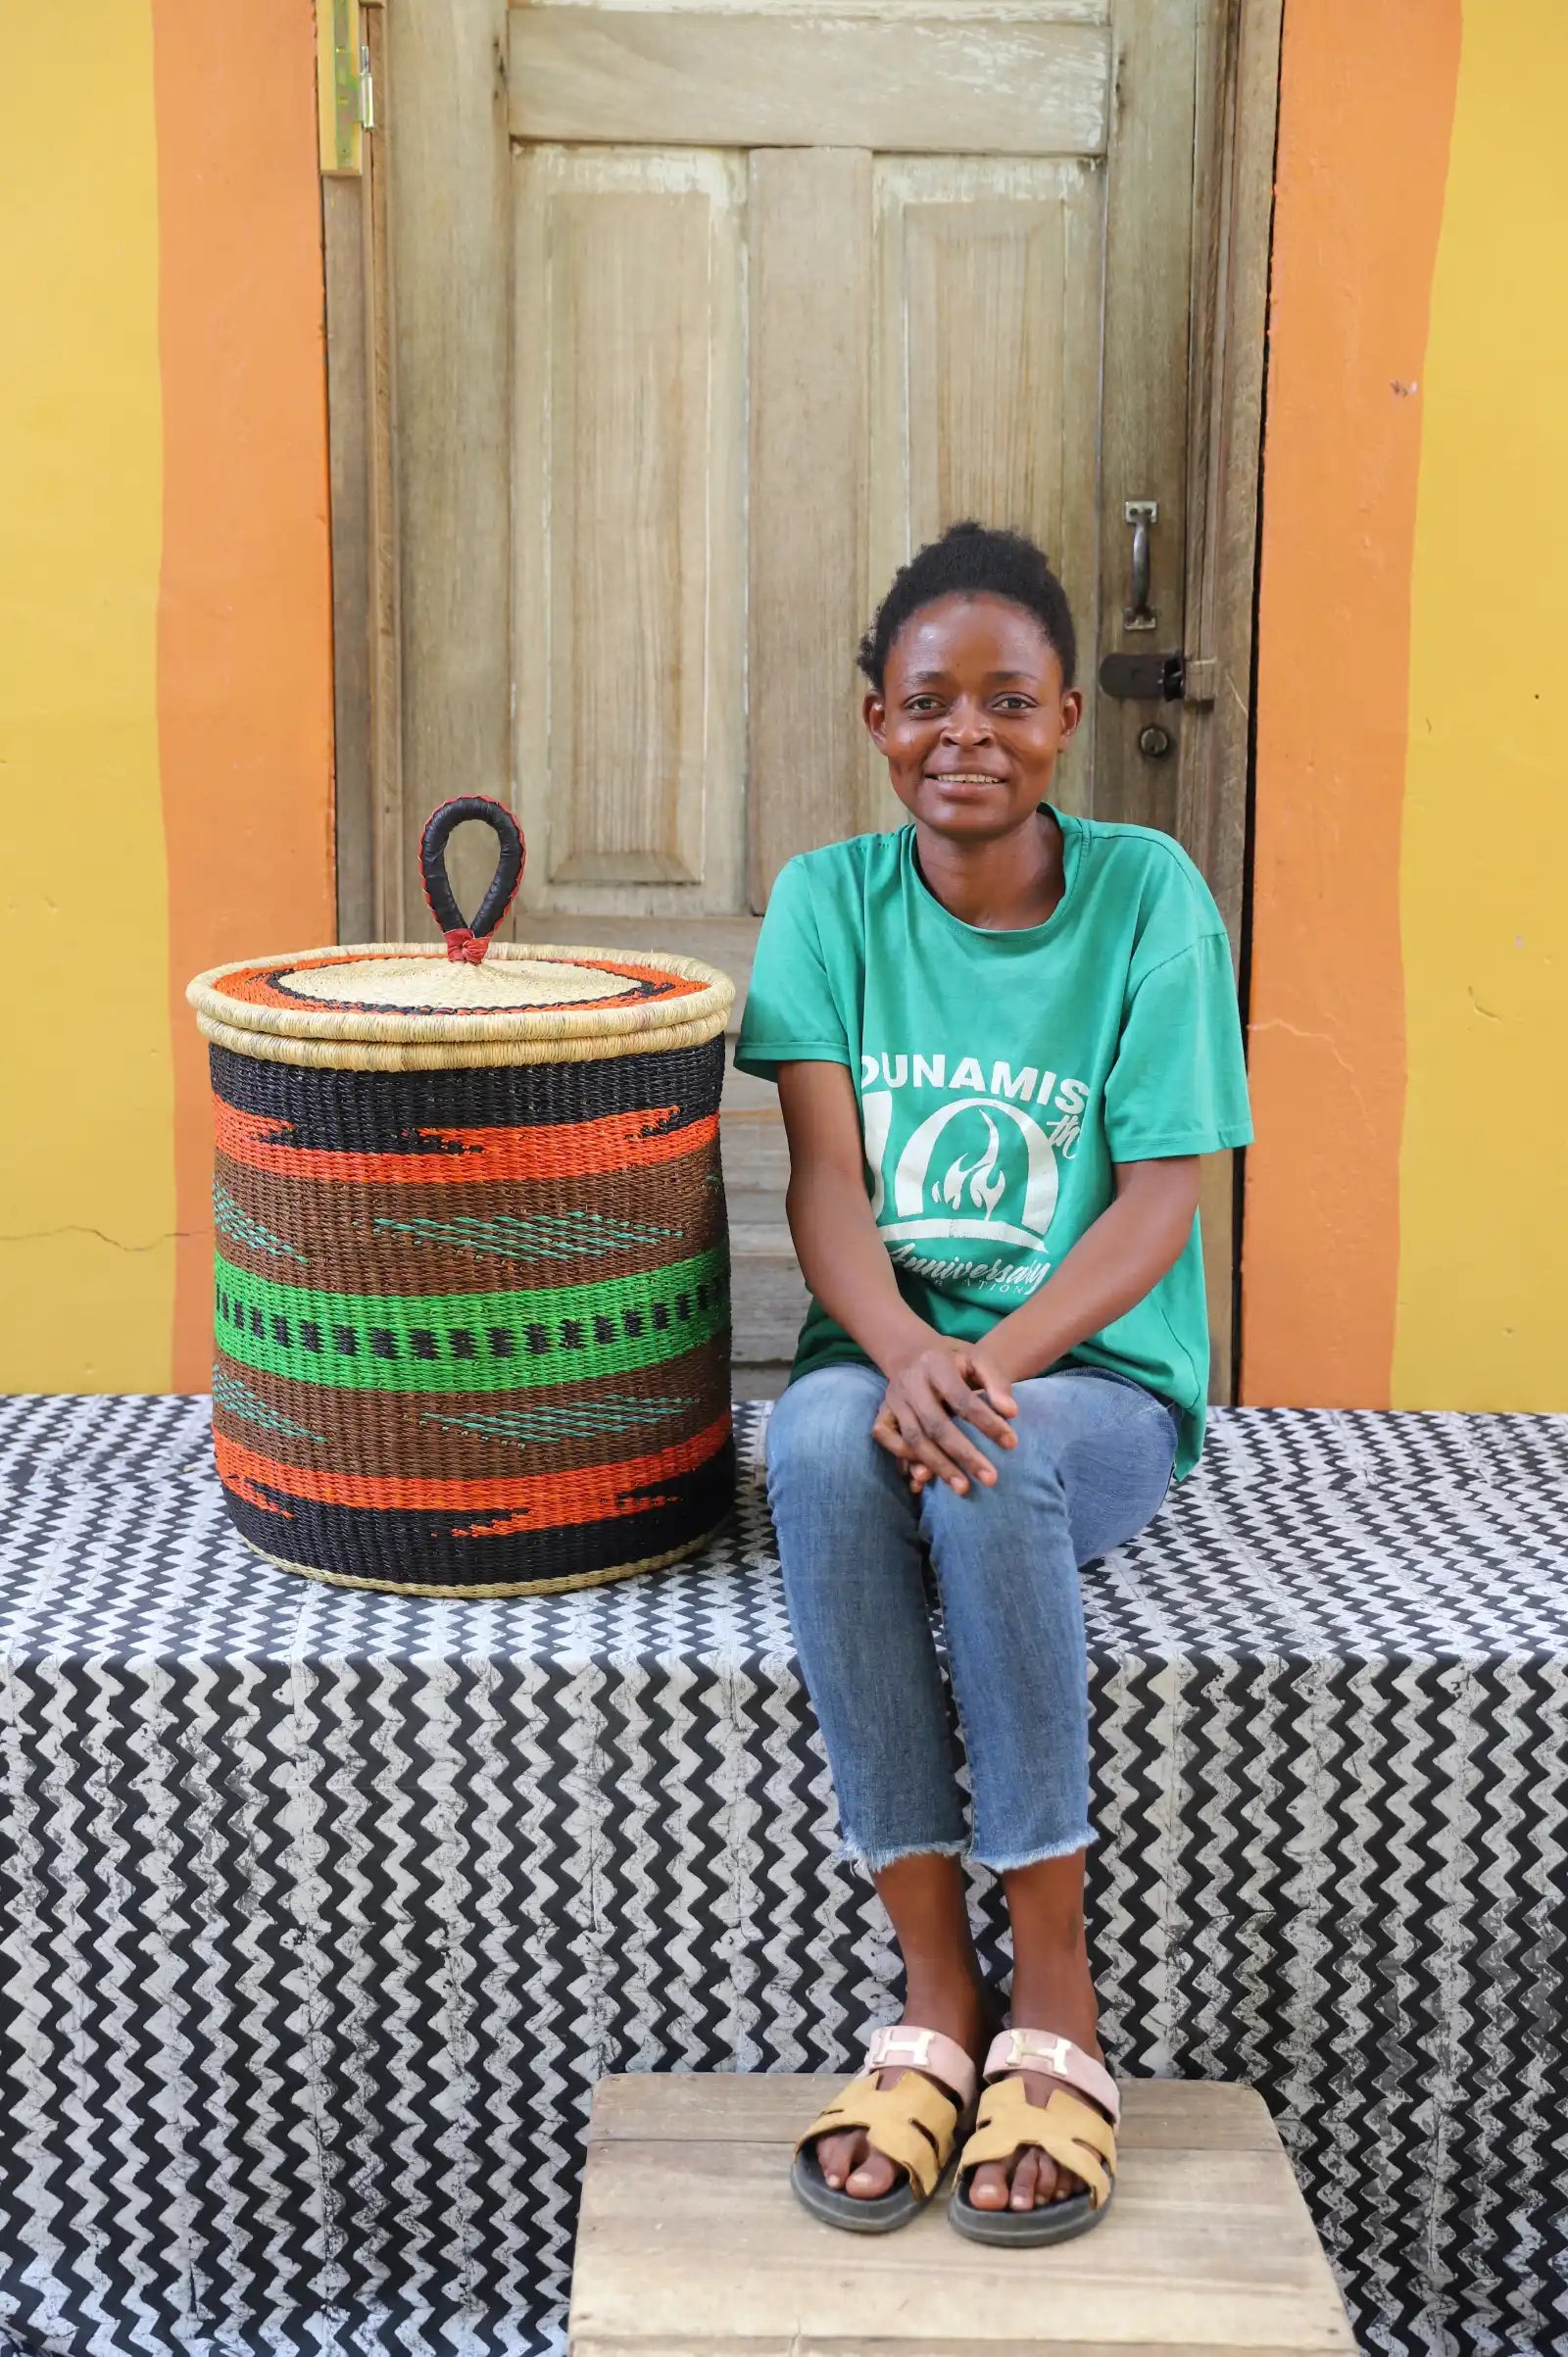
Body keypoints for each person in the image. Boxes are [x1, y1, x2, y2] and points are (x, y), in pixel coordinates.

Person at [734, 521, 1252, 2245]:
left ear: (1067, 721)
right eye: (929, 699)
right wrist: (903, 1351)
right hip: (882, 1359)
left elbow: (1161, 1200)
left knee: (991, 1461)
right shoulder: (828, 902)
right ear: (875, 718)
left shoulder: (1149, 896)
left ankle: (1058, 1986)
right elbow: (826, 1184)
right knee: (816, 1448)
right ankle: (935, 1990)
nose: (968, 731)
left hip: (1090, 1381)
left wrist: (980, 1367)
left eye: (1010, 700)